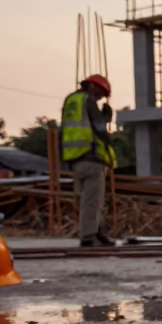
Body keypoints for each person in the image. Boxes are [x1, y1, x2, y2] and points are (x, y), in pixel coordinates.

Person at [60, 74, 116, 247]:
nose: (100, 97)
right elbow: (99, 129)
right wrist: (106, 117)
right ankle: (89, 236)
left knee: (88, 199)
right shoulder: (88, 101)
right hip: (91, 156)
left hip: (75, 158)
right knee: (93, 200)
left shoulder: (71, 100)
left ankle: (96, 232)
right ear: (92, 87)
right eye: (100, 92)